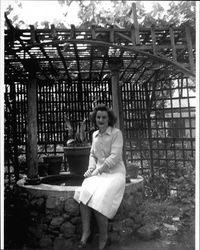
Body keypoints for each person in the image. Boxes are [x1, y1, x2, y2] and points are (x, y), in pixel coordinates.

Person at [73, 104, 126, 250]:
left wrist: (99, 170)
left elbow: (115, 157)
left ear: (109, 119)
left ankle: (104, 237)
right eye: (98, 117)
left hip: (115, 174)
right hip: (99, 174)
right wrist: (91, 169)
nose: (101, 120)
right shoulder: (94, 135)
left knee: (100, 198)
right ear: (95, 119)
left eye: (104, 117)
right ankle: (86, 233)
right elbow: (92, 155)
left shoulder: (116, 133)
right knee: (85, 191)